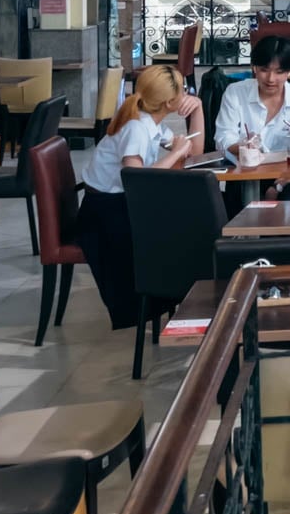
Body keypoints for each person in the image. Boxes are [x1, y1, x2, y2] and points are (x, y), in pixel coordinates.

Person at [77, 65, 204, 329]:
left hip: (119, 205)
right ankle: (176, 299)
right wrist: (174, 153)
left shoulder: (149, 122)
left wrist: (198, 109)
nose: (187, 94)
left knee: (183, 224)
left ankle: (180, 298)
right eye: (184, 91)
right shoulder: (136, 127)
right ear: (170, 101)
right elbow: (136, 179)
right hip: (104, 214)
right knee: (182, 232)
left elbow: (195, 153)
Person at [215, 35, 290, 168]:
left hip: (286, 174)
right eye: (264, 70)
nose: (271, 79)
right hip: (243, 171)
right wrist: (242, 147)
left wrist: (278, 185)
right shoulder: (235, 93)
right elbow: (223, 136)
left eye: (279, 72)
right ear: (254, 68)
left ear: (289, 72)